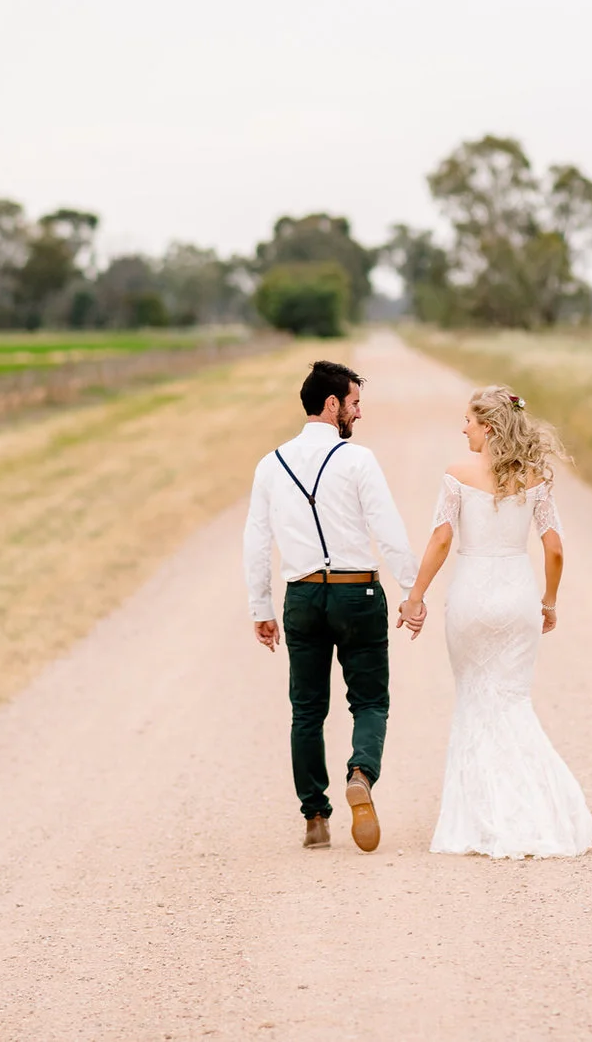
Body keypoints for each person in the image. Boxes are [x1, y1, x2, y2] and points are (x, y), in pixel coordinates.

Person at [397, 384, 592, 858]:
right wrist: (548, 602)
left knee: (474, 701)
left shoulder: (456, 475)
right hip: (516, 596)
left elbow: (442, 541)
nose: (462, 428)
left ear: (487, 426)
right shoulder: (535, 479)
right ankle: (536, 812)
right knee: (511, 701)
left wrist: (415, 597)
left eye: (468, 420)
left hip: (470, 595)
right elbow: (554, 548)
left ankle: (478, 820)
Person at [244, 359, 418, 851]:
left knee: (306, 710)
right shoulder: (358, 460)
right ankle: (360, 774)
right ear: (332, 404)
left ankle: (315, 818)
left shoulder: (270, 464)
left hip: (302, 595)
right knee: (368, 700)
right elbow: (387, 528)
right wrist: (412, 592)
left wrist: (261, 608)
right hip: (357, 591)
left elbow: (256, 540)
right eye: (355, 403)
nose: (359, 415)